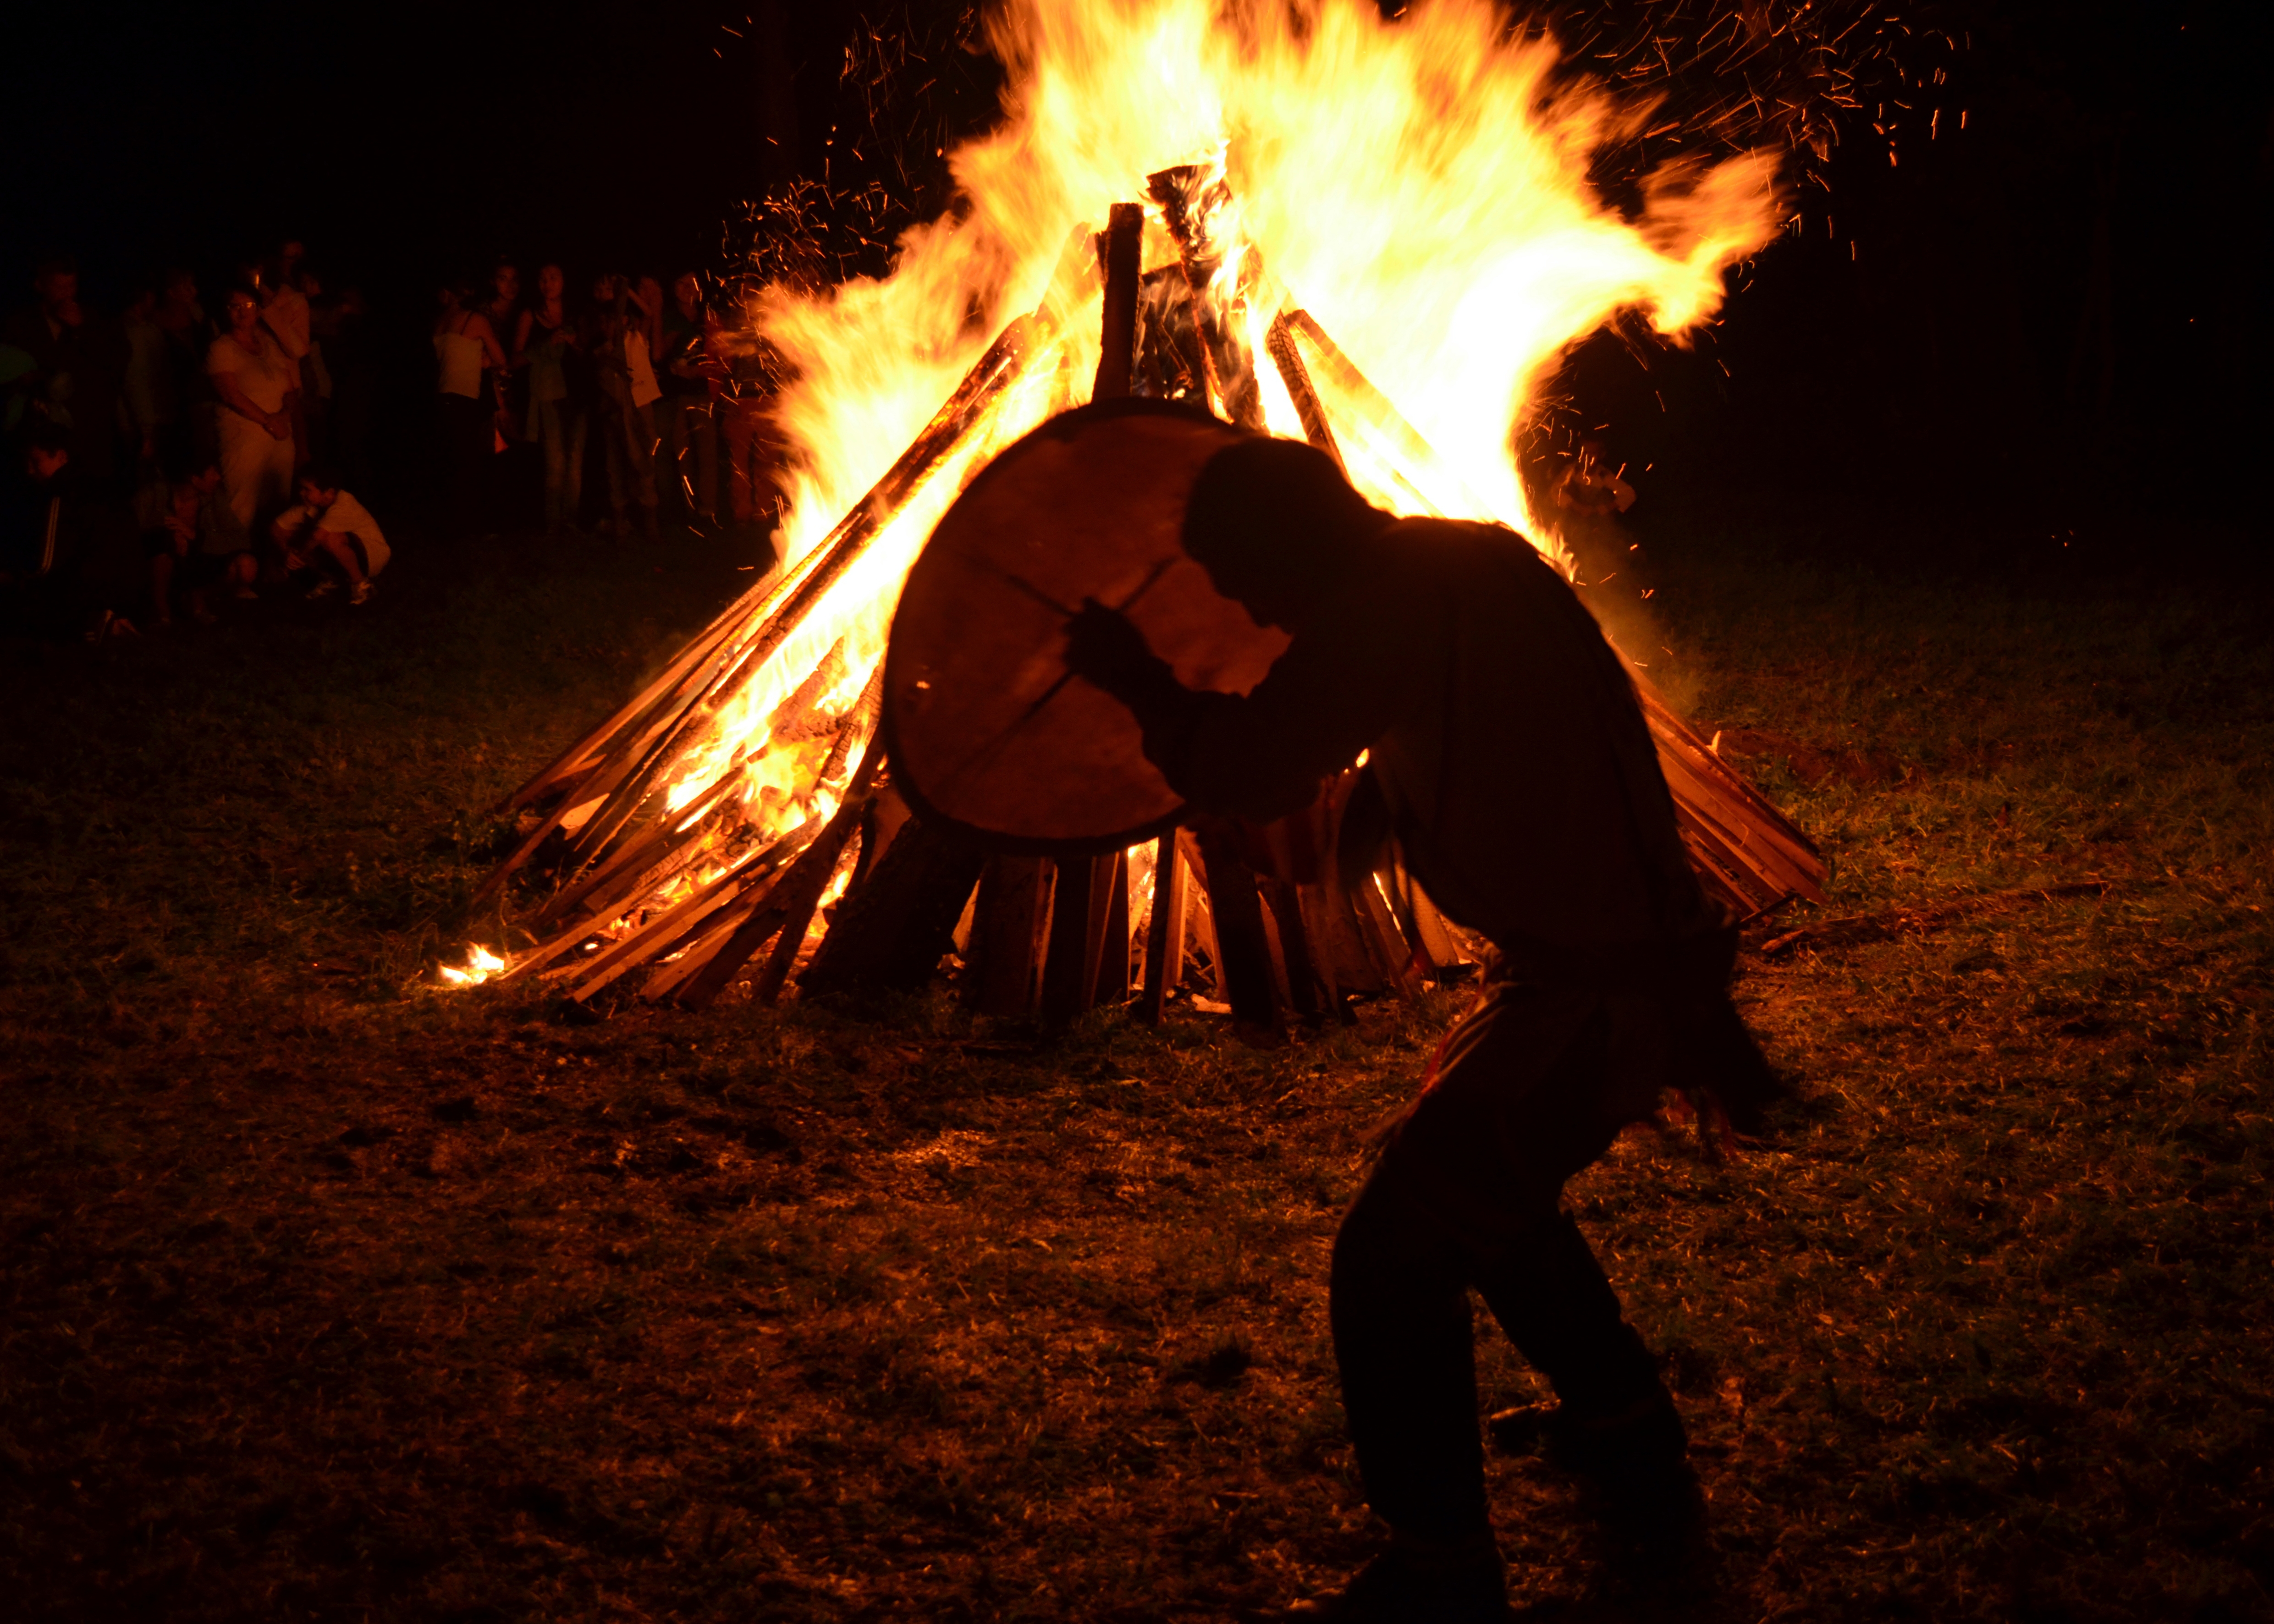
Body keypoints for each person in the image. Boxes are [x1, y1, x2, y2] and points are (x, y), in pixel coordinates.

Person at [1063, 437, 1782, 1623]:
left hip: (1603, 991)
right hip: (1608, 964)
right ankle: (1626, 1427)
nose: (1248, 609)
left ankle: (1442, 1572)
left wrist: (1139, 680)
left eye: (1245, 578)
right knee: (1485, 1199)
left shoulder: (1383, 601)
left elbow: (1255, 760)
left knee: (1393, 1253)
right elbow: (1438, 753)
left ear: (1291, 544)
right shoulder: (1466, 561)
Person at [206, 282, 299, 556]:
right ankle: (238, 565)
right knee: (243, 502)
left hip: (280, 435)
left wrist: (283, 417)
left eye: (248, 306)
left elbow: (291, 390)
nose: (242, 312)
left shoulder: (269, 344)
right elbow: (231, 395)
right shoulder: (221, 349)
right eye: (234, 306)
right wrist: (268, 421)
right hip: (245, 437)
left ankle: (274, 560)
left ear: (258, 311)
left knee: (279, 500)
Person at [587, 274, 660, 543]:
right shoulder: (602, 351)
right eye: (604, 322)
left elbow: (649, 312)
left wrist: (627, 293)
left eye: (613, 320)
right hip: (614, 414)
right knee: (615, 465)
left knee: (644, 461)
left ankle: (650, 521)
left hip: (641, 407)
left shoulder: (637, 337)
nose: (608, 326)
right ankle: (620, 523)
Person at [515, 264, 586, 537]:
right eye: (542, 279)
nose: (548, 284)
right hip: (548, 396)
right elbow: (516, 358)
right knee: (555, 462)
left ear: (564, 281)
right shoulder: (530, 316)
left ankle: (571, 522)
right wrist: (546, 346)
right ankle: (553, 525)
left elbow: (587, 352)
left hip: (578, 395)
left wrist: (574, 343)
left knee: (575, 462)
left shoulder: (575, 315)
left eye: (554, 277)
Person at [433, 281, 508, 538]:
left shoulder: (441, 321)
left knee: (454, 461)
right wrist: (487, 361)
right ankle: (469, 526)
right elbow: (501, 360)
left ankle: (455, 523)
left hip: (444, 396)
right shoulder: (473, 320)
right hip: (465, 398)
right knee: (469, 464)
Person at [270, 464, 387, 604]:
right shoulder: (311, 505)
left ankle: (361, 584)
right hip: (344, 553)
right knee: (294, 535)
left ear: (329, 493)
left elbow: (317, 537)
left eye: (307, 490)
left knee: (328, 538)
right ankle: (332, 580)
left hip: (372, 556)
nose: (301, 493)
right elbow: (277, 528)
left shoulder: (344, 504)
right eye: (301, 489)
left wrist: (291, 563)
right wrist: (286, 551)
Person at [657, 271, 718, 525]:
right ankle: (689, 510)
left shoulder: (707, 317)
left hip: (703, 393)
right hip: (679, 395)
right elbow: (661, 355)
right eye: (681, 283)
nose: (687, 288)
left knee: (707, 452)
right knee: (684, 454)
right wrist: (680, 369)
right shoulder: (671, 319)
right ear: (674, 287)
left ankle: (708, 509)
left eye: (692, 283)